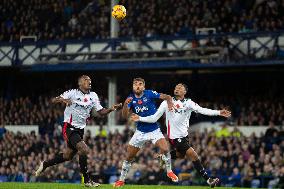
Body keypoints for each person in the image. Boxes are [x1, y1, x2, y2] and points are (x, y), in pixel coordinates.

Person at [131, 83, 231, 188]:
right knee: (193, 155)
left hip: (184, 136)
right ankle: (209, 180)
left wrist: (219, 112)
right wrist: (140, 118)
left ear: (185, 92)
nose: (177, 89)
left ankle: (164, 157)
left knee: (181, 155)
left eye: (180, 87)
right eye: (176, 87)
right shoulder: (166, 102)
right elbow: (154, 118)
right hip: (174, 137)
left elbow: (202, 110)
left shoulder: (188, 103)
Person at [35, 75, 122, 187]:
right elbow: (53, 100)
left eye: (90, 80)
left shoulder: (93, 95)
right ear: (80, 83)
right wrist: (63, 99)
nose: (89, 82)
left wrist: (111, 108)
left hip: (80, 129)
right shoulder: (72, 93)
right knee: (84, 149)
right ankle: (87, 180)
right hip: (69, 127)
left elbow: (101, 112)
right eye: (86, 80)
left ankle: (46, 164)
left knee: (67, 156)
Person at [114, 77, 178, 187]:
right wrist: (125, 105)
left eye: (140, 84)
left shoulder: (149, 94)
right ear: (133, 87)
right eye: (135, 84)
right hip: (140, 132)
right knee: (129, 157)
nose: (137, 86)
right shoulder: (130, 98)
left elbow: (167, 96)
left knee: (165, 148)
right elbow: (125, 116)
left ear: (143, 86)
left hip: (154, 129)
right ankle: (121, 180)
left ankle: (169, 172)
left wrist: (170, 102)